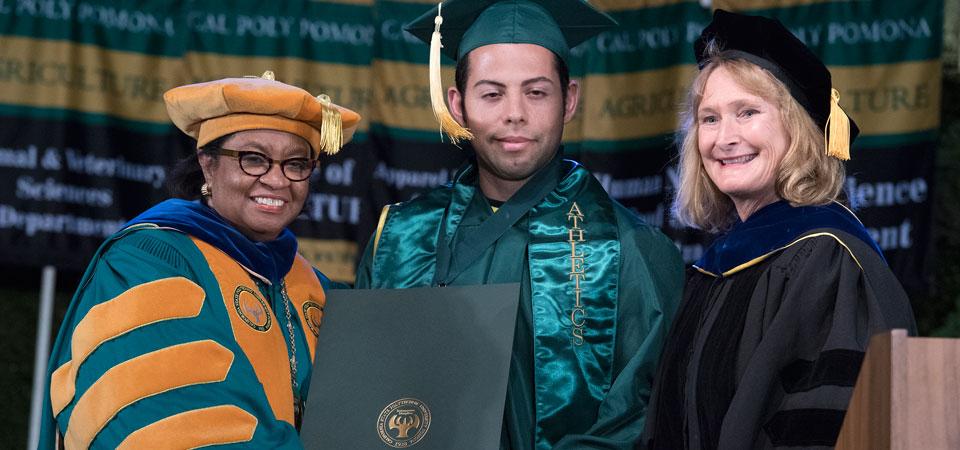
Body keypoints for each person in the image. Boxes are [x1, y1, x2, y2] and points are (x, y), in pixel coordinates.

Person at [356, 1, 684, 449]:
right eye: (492, 94)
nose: (515, 113)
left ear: (569, 100)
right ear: (457, 105)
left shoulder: (630, 251)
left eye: (536, 92)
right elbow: (365, 395)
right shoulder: (399, 239)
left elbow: (641, 418)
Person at [38, 71, 360, 448]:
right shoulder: (147, 262)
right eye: (253, 159)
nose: (277, 180)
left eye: (296, 164)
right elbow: (167, 417)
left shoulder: (313, 286)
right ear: (207, 163)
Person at [642, 10, 917, 450]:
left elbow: (827, 429)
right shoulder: (717, 268)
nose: (724, 137)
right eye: (709, 119)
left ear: (798, 128)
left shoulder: (827, 259)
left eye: (747, 112)